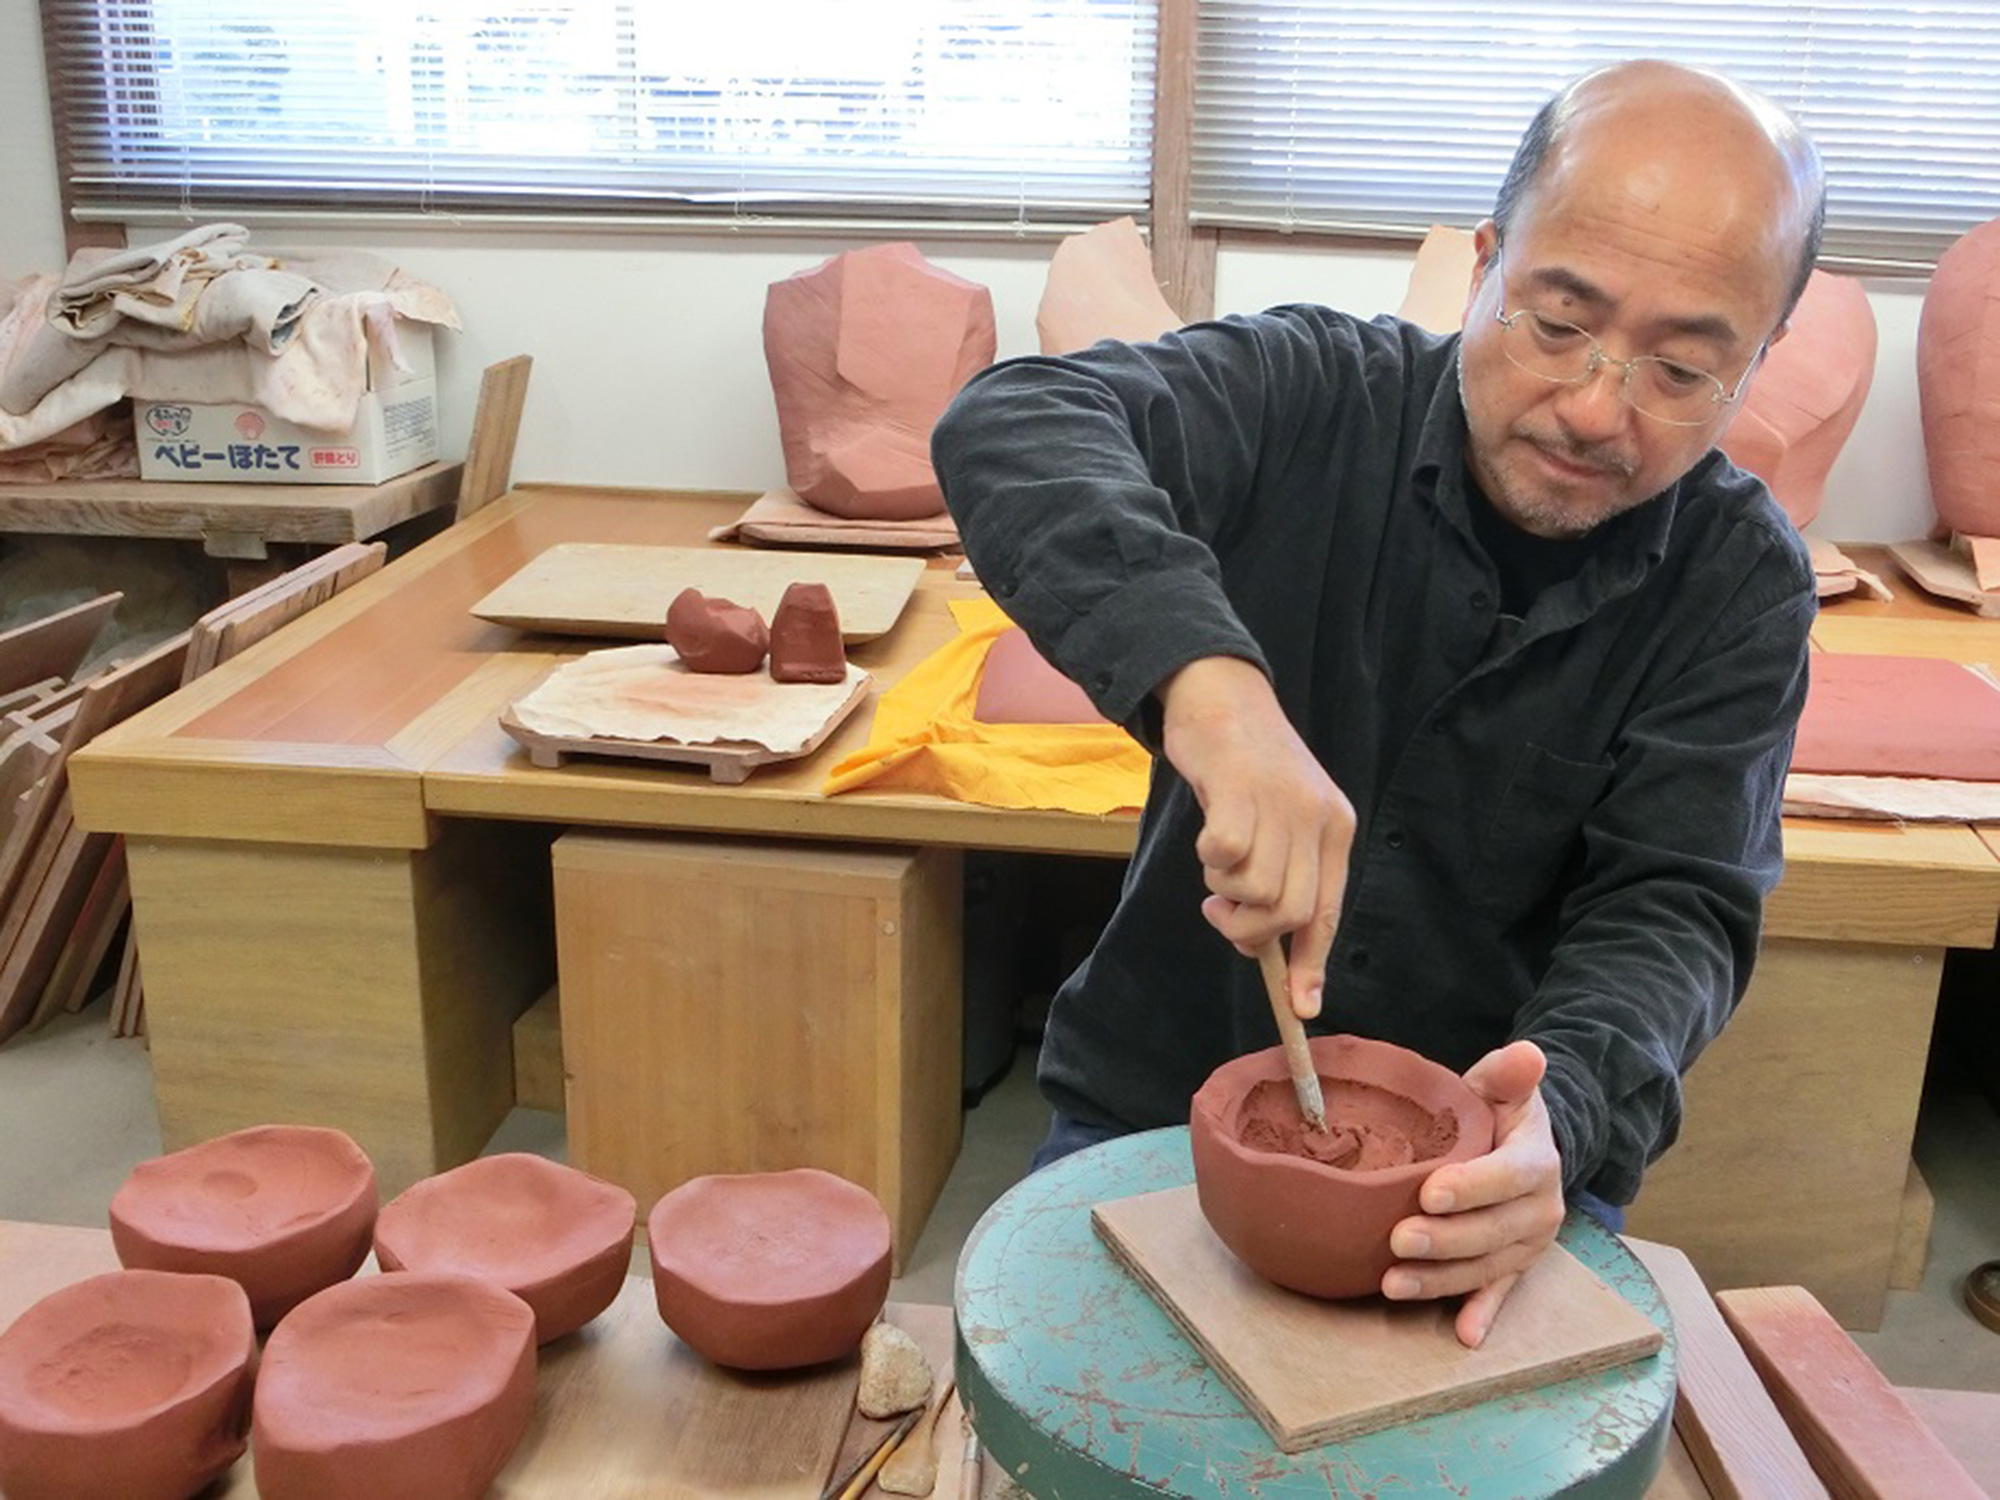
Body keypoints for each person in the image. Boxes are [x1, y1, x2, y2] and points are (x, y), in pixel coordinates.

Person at [932, 60, 1825, 1348]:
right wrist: (1212, 687)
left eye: (1682, 371)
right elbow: (1017, 423)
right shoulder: (1310, 398)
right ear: (1485, 263)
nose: (1593, 407)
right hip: (1152, 1114)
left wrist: (1562, 1118)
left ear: (1759, 356)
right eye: (1557, 320)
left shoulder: (1738, 583)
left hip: (1483, 1182)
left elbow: (1674, 909)